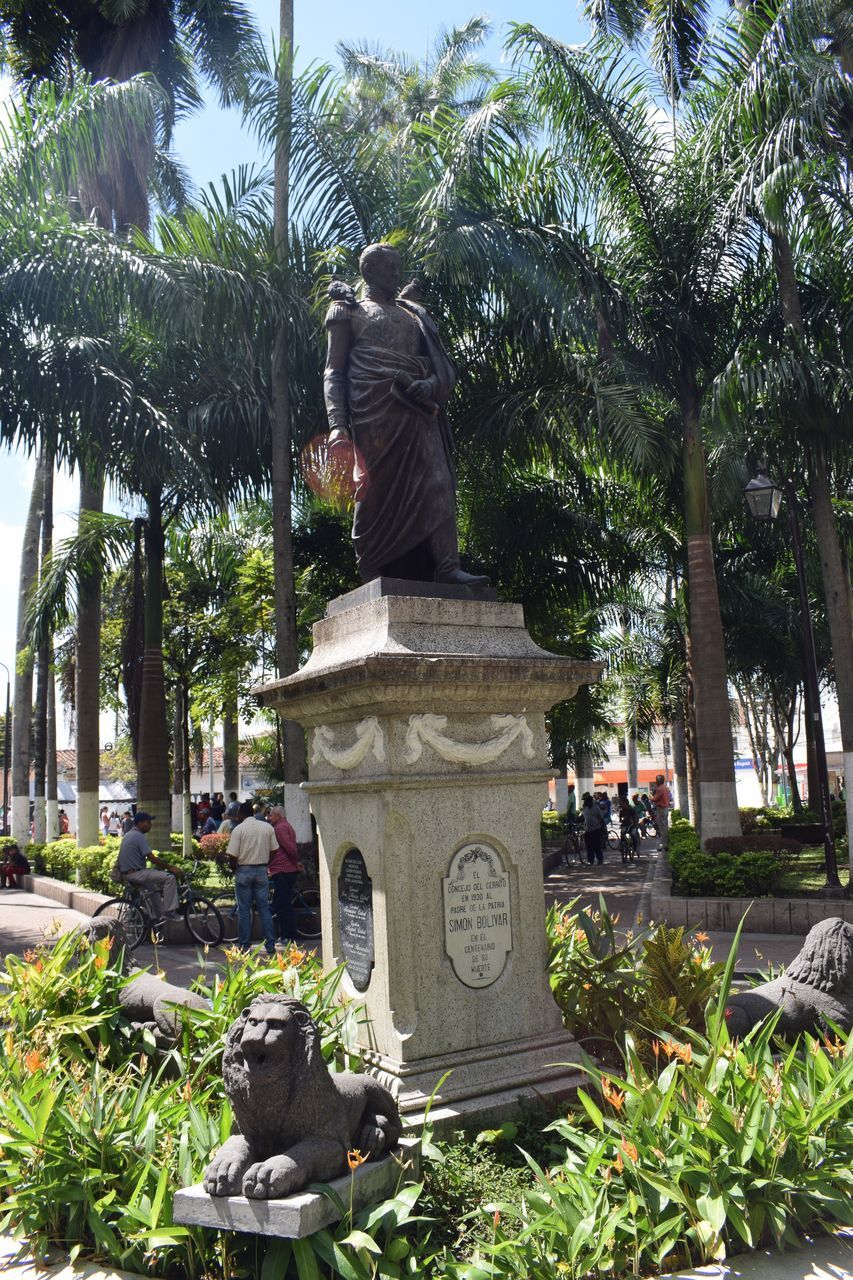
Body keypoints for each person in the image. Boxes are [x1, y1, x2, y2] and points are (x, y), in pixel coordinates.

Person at [325, 243, 489, 586]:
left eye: (398, 267)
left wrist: (430, 384)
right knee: (374, 490)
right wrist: (338, 426)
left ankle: (447, 566)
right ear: (369, 271)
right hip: (375, 414)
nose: (396, 274)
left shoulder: (413, 314)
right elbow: (333, 372)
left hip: (418, 412)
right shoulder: (347, 312)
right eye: (389, 268)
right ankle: (372, 567)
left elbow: (440, 364)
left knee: (438, 480)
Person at [226, 802, 277, 954]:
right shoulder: (267, 827)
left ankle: (245, 945)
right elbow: (275, 849)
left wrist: (233, 867)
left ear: (241, 814)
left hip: (244, 871)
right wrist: (266, 861)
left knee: (244, 910)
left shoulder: (238, 829)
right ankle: (270, 944)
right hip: (261, 870)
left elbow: (232, 855)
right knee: (264, 909)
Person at [116, 812, 181, 919]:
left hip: (128, 873)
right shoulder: (138, 836)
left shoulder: (128, 834)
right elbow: (151, 857)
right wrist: (170, 867)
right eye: (148, 822)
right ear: (140, 823)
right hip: (136, 873)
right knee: (169, 878)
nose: (150, 825)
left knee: (153, 889)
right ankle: (170, 911)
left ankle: (159, 917)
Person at [267, 805, 301, 945]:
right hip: (285, 869)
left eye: (271, 815)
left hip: (283, 870)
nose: (269, 817)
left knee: (284, 904)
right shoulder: (286, 826)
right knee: (280, 903)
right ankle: (284, 934)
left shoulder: (280, 828)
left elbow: (290, 848)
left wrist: (296, 860)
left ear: (278, 815)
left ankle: (289, 935)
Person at [582, 793, 606, 865]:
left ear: (590, 800)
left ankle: (600, 859)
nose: (585, 802)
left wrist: (603, 828)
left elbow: (601, 818)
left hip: (596, 829)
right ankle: (591, 860)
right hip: (587, 830)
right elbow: (583, 818)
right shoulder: (585, 808)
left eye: (586, 800)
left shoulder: (596, 808)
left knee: (597, 846)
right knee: (589, 847)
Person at [652, 774, 672, 853]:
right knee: (665, 826)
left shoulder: (660, 789)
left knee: (662, 828)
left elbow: (654, 798)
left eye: (656, 780)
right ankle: (666, 844)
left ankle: (665, 845)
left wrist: (651, 796)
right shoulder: (666, 788)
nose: (656, 781)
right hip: (665, 808)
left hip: (661, 808)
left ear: (658, 781)